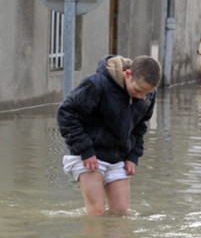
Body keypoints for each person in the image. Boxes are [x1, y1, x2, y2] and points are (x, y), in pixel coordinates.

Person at [57, 55, 162, 216]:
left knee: (122, 214)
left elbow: (140, 125)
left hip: (118, 157)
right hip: (88, 155)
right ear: (127, 74)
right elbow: (66, 113)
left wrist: (133, 155)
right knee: (97, 212)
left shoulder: (148, 95)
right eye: (138, 90)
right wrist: (85, 149)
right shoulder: (96, 84)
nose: (141, 97)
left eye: (146, 93)